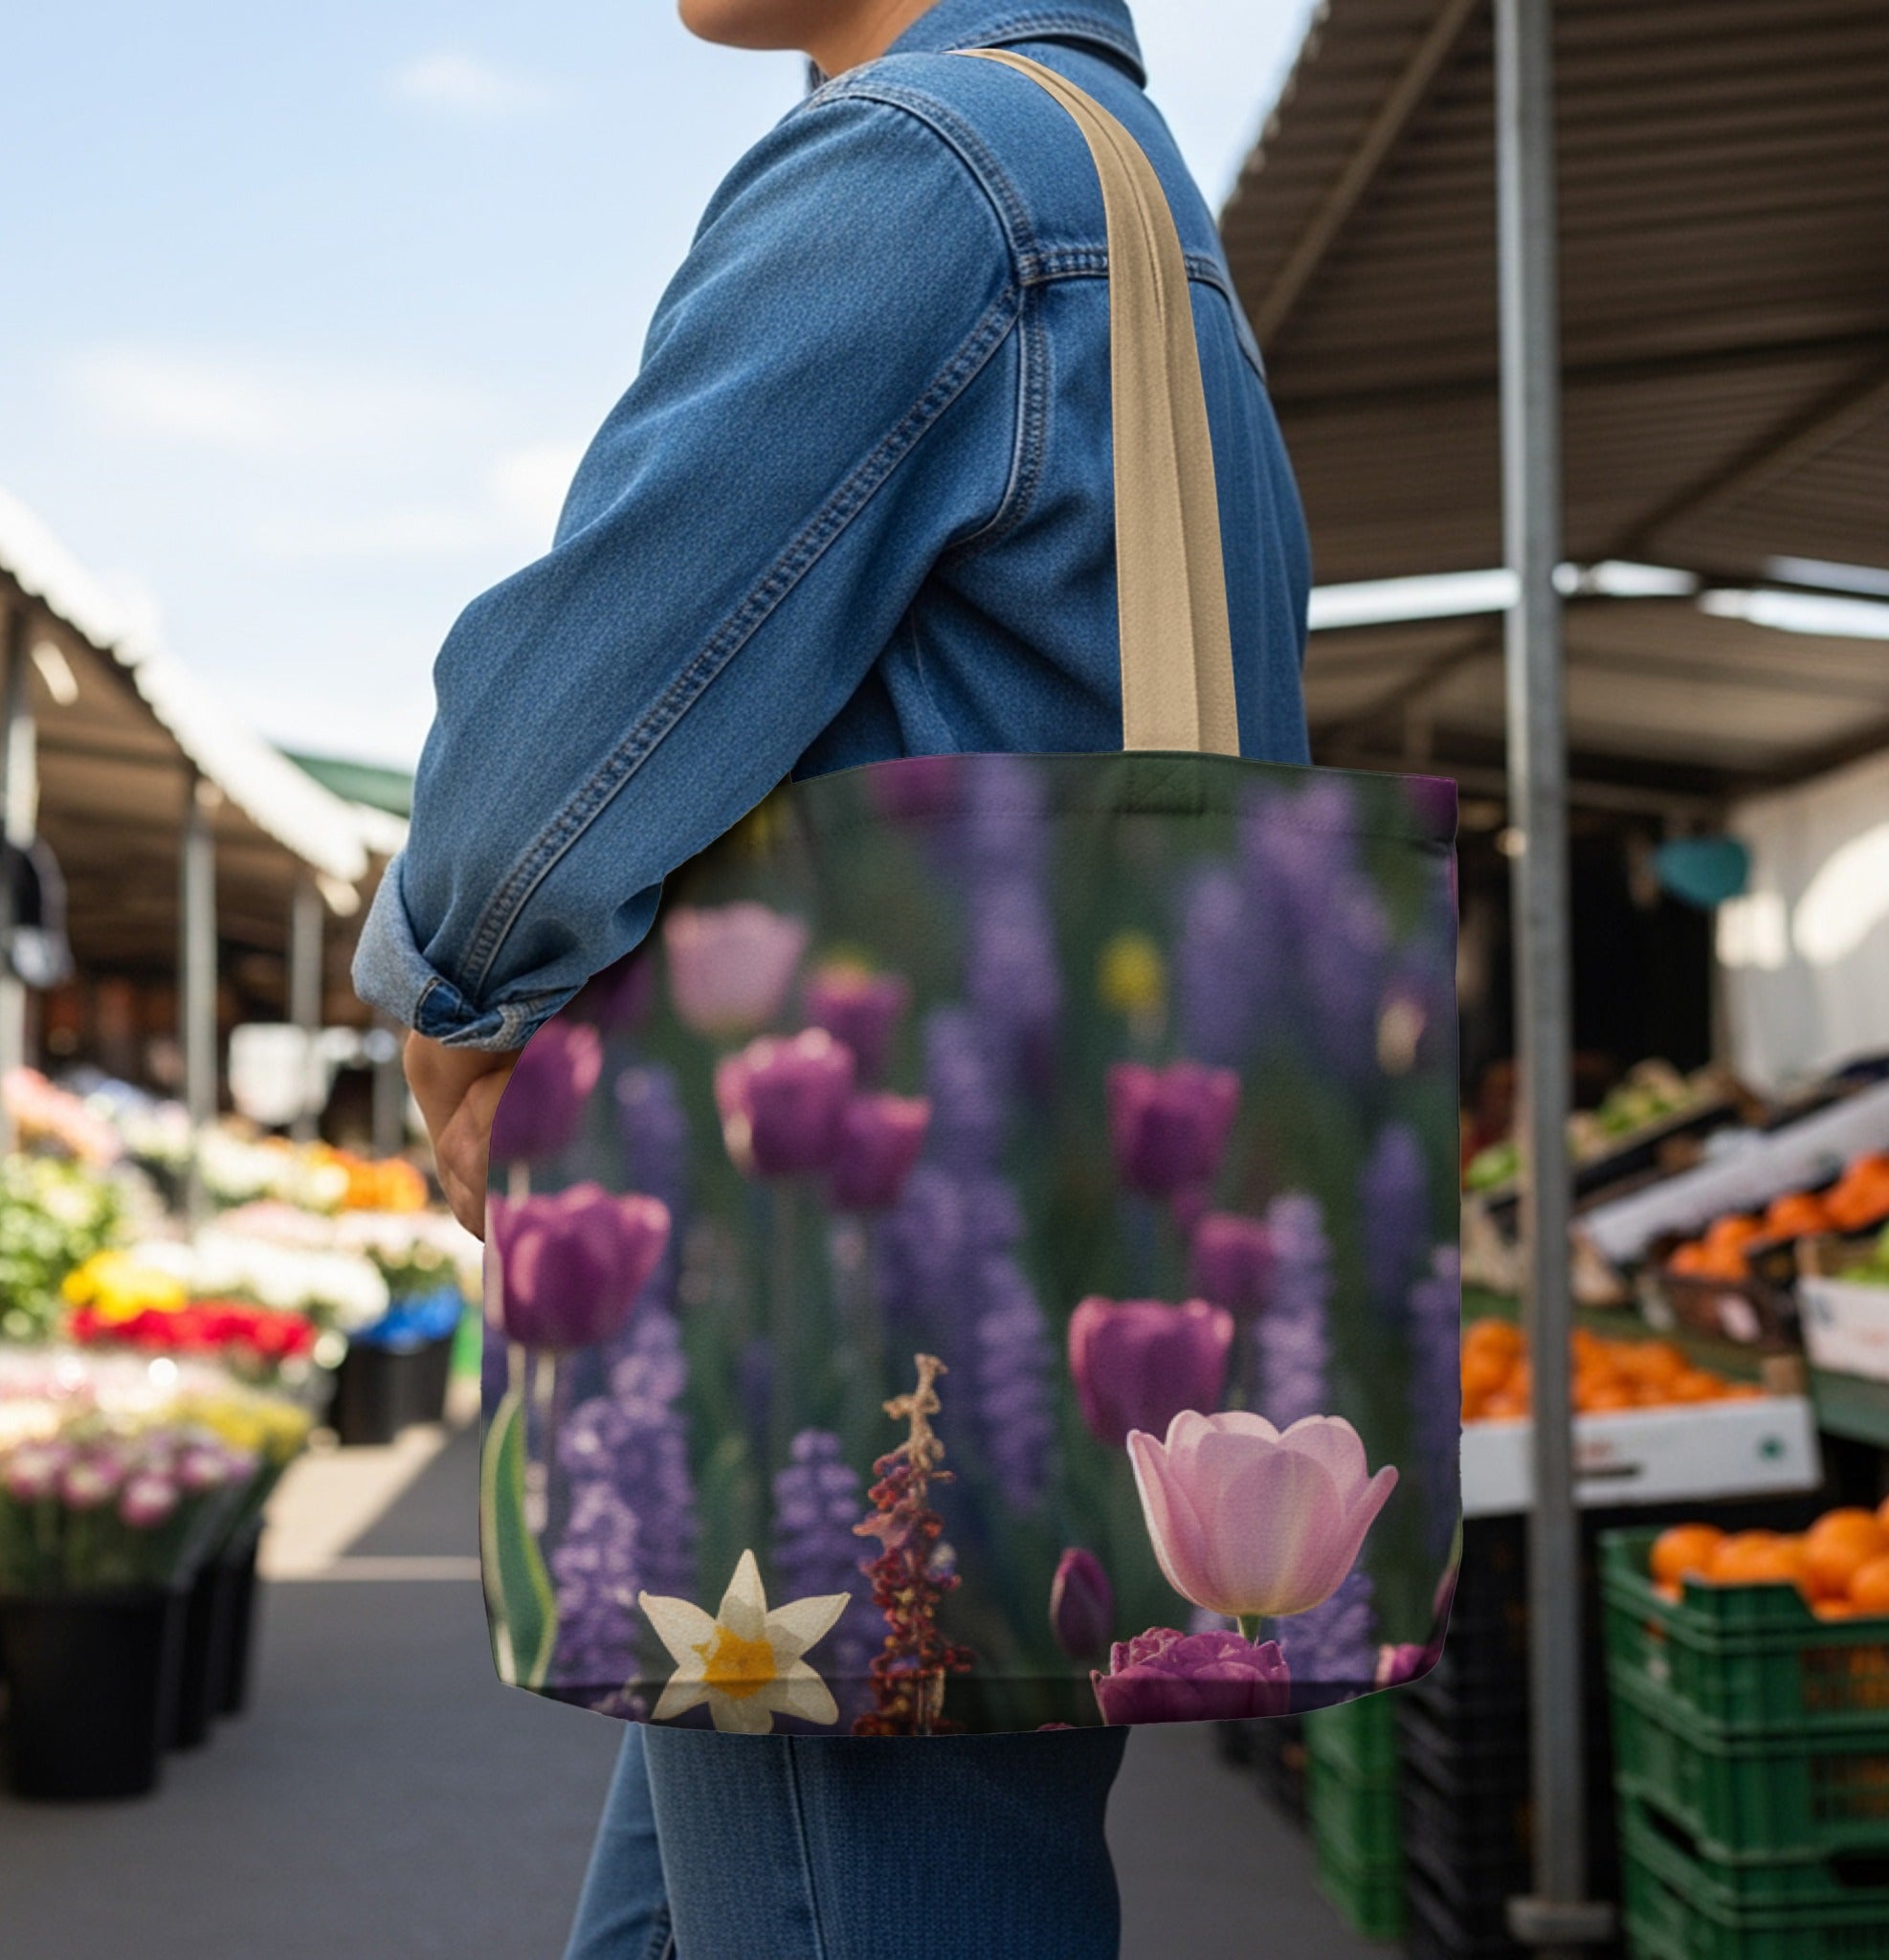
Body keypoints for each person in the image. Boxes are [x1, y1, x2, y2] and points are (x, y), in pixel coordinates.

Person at [352, 2, 1312, 1953]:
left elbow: (564, 722)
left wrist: (453, 1002)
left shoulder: (931, 167)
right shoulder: (1124, 198)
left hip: (864, 1312)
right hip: (1026, 1292)